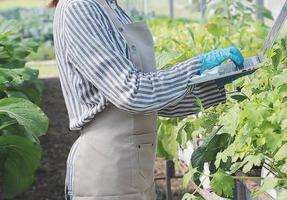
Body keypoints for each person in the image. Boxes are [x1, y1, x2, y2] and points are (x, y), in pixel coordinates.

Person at [50, 0, 244, 199]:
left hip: (136, 169)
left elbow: (155, 100)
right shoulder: (79, 7)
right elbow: (132, 93)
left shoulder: (109, 7)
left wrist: (222, 89)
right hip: (107, 170)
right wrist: (196, 66)